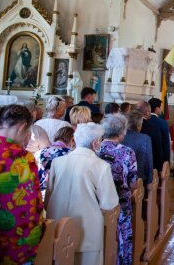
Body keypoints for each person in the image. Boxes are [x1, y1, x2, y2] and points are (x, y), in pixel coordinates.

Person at [45, 122, 119, 265]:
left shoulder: (57, 162)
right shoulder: (101, 166)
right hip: (87, 231)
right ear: (95, 143)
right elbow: (109, 203)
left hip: (57, 228)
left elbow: (48, 199)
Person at [0, 105, 44, 265]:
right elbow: (33, 202)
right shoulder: (22, 158)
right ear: (21, 128)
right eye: (28, 133)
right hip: (13, 244)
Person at [100, 114, 137, 265]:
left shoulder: (96, 148)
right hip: (121, 201)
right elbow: (133, 183)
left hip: (100, 202)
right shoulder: (127, 152)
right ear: (122, 133)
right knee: (124, 238)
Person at [37, 126, 74, 192]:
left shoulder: (40, 152)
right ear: (72, 139)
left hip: (39, 190)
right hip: (57, 191)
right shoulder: (70, 154)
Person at [123, 110, 154, 185]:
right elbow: (149, 162)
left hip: (121, 179)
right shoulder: (145, 138)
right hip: (138, 180)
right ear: (139, 124)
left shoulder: (119, 136)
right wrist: (150, 181)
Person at [136, 101, 165, 171]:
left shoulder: (129, 126)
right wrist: (160, 169)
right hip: (149, 166)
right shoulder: (154, 128)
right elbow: (158, 149)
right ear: (147, 112)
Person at [148, 98, 170, 168]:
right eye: (161, 107)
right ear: (157, 109)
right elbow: (166, 143)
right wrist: (167, 161)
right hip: (159, 158)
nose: (162, 109)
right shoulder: (163, 123)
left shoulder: (143, 121)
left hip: (147, 156)